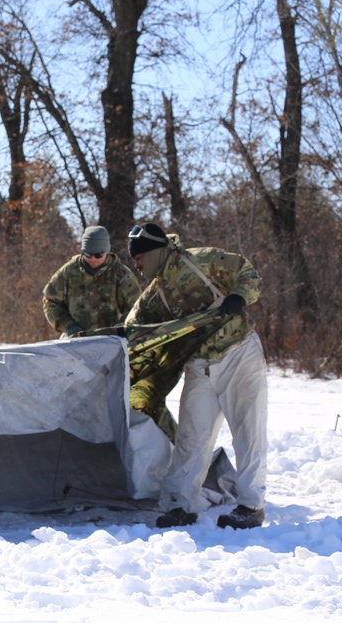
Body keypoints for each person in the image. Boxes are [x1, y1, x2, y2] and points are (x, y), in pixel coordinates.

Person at [124, 222, 267, 530]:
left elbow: (247, 272)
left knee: (248, 430)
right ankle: (181, 504)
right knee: (192, 436)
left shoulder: (202, 261)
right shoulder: (154, 296)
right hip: (200, 365)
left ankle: (251, 505)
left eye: (139, 258)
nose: (136, 265)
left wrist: (240, 296)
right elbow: (133, 330)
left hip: (238, 352)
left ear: (153, 252)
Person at [42, 225, 141, 337]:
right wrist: (68, 325)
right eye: (88, 254)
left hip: (111, 342)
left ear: (106, 252)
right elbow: (50, 300)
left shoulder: (121, 275)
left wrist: (120, 330)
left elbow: (136, 308)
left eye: (98, 255)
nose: (93, 259)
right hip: (76, 341)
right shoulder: (68, 272)